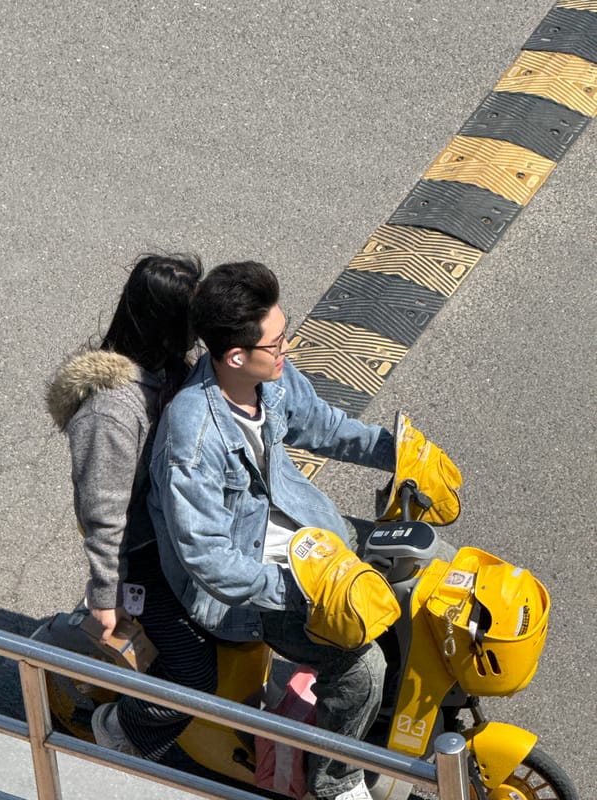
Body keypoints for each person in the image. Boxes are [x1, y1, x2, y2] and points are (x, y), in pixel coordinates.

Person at [148, 260, 398, 800]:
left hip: (309, 534)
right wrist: (296, 590)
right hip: (247, 591)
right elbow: (208, 559)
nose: (288, 350)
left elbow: (326, 426)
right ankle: (335, 781)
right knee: (362, 669)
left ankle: (373, 724)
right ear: (236, 356)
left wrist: (400, 453)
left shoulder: (271, 381)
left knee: (421, 566)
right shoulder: (193, 439)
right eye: (277, 343)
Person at [46, 253, 217, 761]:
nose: (200, 332)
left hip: (179, 537)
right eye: (192, 321)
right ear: (165, 324)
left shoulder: (170, 372)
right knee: (193, 669)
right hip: (140, 557)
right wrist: (105, 595)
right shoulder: (110, 413)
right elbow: (104, 516)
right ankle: (120, 730)